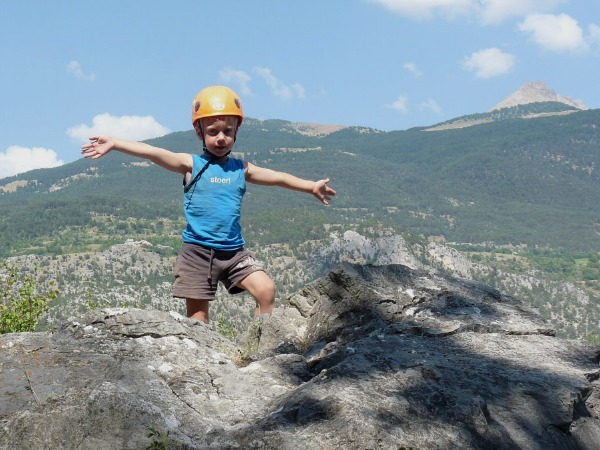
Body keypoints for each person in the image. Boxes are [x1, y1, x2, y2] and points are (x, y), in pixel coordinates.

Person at [81, 85, 336, 324]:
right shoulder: (191, 165)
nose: (221, 138)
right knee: (198, 323)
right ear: (199, 132)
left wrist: (309, 186)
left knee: (266, 290)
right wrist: (115, 143)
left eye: (228, 131)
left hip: (234, 252)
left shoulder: (241, 168)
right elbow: (153, 152)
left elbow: (278, 177)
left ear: (237, 131)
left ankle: (261, 347)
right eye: (213, 132)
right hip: (197, 254)